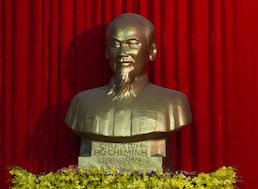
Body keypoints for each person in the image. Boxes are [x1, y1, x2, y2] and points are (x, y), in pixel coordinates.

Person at [65, 13, 191, 142]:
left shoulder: (173, 103)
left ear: (152, 51)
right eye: (116, 44)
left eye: (132, 43)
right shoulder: (82, 103)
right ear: (107, 52)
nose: (122, 53)